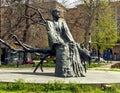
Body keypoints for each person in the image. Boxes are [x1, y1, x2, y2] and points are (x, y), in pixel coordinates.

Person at [46, 8, 90, 77]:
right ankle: (64, 71)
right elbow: (50, 33)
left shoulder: (62, 22)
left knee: (75, 46)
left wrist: (72, 41)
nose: (59, 13)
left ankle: (77, 70)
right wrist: (58, 41)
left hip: (65, 41)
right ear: (53, 13)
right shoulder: (49, 23)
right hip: (56, 43)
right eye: (57, 12)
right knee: (64, 48)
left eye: (59, 12)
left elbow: (67, 33)